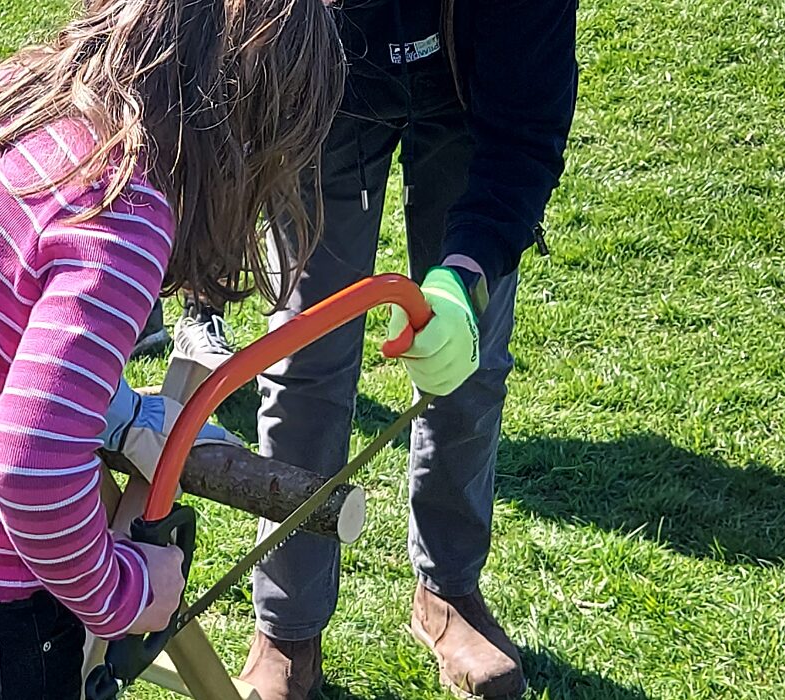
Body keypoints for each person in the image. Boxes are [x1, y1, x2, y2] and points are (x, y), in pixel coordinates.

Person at [0, 0, 352, 697]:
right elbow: (29, 469)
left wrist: (112, 409)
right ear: (241, 115)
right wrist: (123, 592)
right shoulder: (122, 208)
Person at [225, 2, 581, 699]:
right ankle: (286, 630)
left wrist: (464, 280)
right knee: (306, 360)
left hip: (470, 93)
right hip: (319, 82)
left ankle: (448, 594)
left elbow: (525, 131)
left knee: (467, 363)